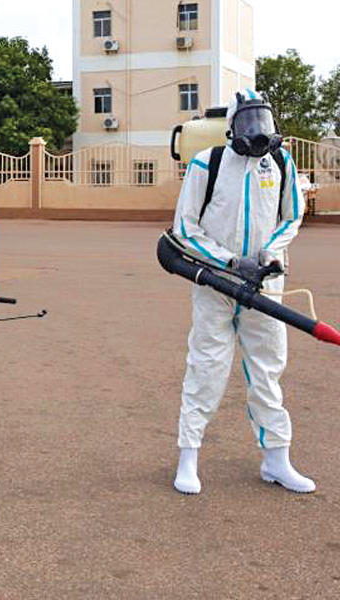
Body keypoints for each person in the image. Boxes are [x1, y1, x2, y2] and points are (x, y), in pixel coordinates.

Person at [171, 88, 313, 495]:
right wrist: (230, 262)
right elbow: (185, 229)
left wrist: (270, 254)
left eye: (262, 122)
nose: (256, 131)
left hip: (267, 287)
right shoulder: (206, 164)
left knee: (267, 370)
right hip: (217, 284)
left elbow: (292, 216)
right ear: (231, 127)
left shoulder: (281, 162)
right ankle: (188, 456)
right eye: (247, 122)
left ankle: (277, 460)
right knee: (207, 368)